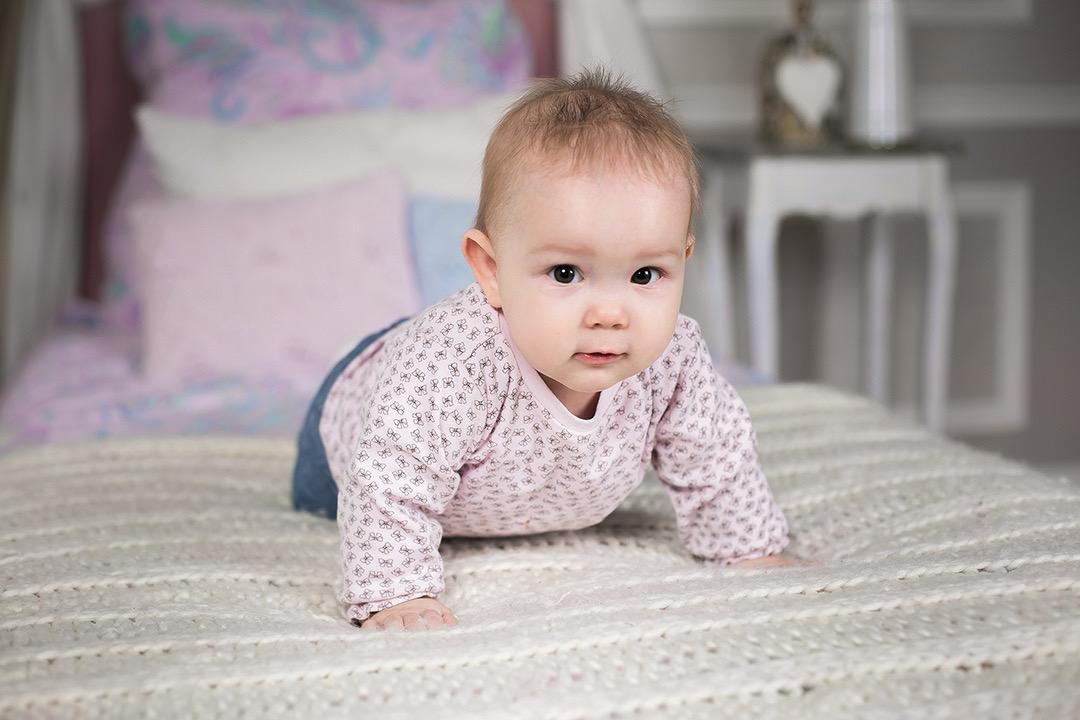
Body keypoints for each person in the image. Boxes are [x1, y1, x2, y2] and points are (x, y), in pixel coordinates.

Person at [292, 67, 792, 632]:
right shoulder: (454, 363)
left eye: (646, 273)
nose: (610, 313)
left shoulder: (674, 359)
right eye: (565, 272)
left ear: (683, 261)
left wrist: (747, 549)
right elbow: (388, 474)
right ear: (491, 270)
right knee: (320, 496)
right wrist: (396, 594)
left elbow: (716, 455)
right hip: (354, 416)